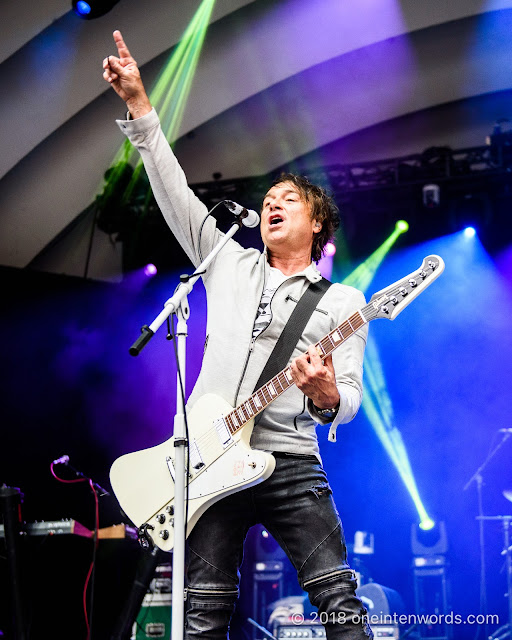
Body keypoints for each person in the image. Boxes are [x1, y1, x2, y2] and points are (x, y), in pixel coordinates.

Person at [103, 30, 372, 640]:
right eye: (269, 197)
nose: (273, 203)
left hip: (292, 462)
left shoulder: (346, 302)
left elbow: (349, 399)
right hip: (212, 462)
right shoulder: (227, 259)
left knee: (340, 604)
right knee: (203, 615)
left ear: (318, 223)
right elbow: (172, 193)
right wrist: (142, 109)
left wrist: (326, 392)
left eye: (289, 200)